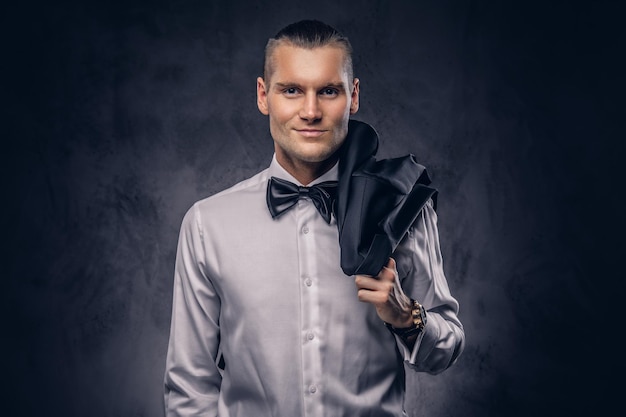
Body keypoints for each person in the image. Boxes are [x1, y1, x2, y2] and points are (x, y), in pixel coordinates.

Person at [164, 19, 464, 417]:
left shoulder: (402, 208)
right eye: (291, 90)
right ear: (263, 95)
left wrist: (406, 315)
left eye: (328, 91)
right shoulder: (207, 223)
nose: (310, 111)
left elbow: (445, 351)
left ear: (353, 97)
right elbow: (190, 388)